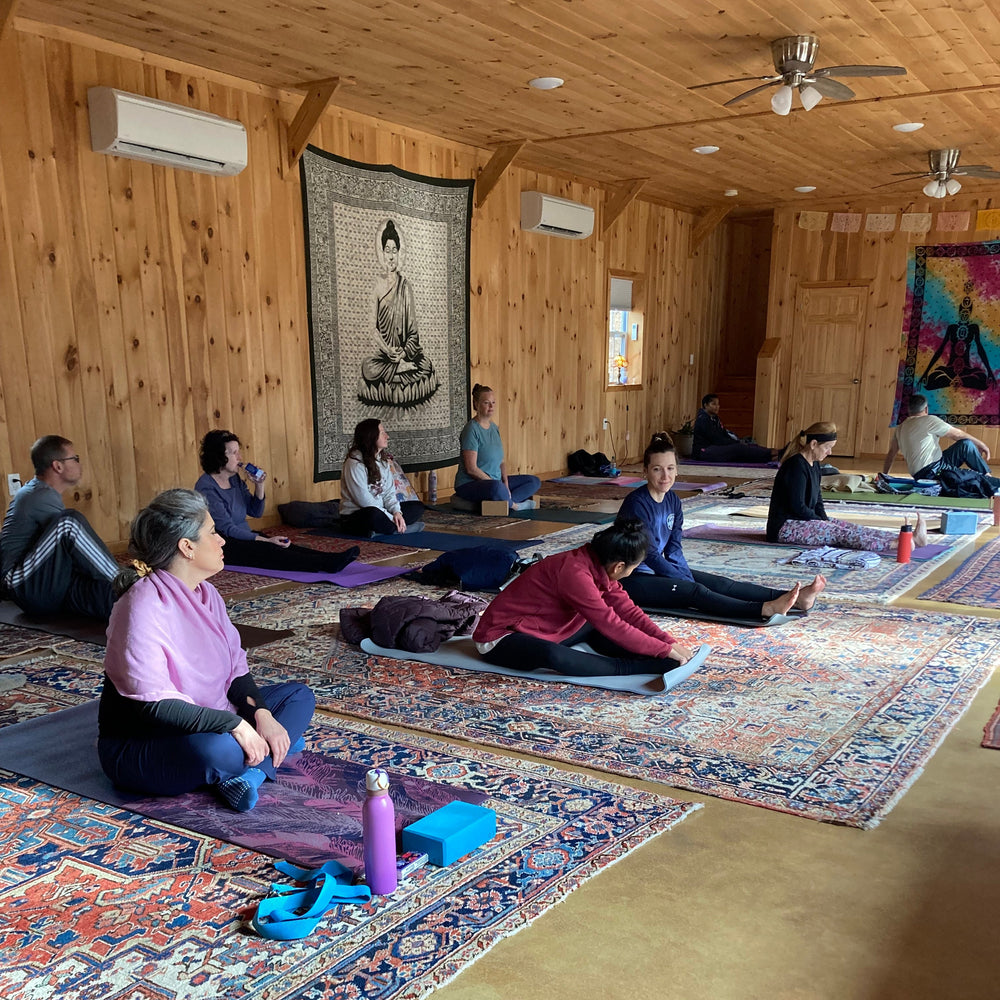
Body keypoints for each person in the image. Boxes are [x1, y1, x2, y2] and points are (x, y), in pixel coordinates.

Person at [98, 489, 315, 812]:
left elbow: (236, 672)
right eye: (212, 533)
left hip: (206, 717)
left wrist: (262, 714)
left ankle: (250, 771)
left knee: (299, 697)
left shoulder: (207, 594)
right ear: (186, 547)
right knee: (219, 750)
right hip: (145, 742)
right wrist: (236, 725)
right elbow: (154, 708)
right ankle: (255, 763)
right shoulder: (141, 605)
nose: (222, 540)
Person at [618, 433, 825, 620]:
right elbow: (650, 555)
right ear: (645, 471)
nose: (665, 476)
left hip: (655, 571)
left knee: (721, 584)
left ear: (677, 470)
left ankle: (795, 598)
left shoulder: (672, 500)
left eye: (670, 468)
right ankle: (765, 609)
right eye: (657, 469)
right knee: (696, 592)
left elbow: (673, 548)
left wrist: (683, 573)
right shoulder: (636, 505)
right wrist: (683, 580)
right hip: (632, 578)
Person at [473, 519, 695, 677]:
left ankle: (656, 659)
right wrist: (663, 651)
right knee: (555, 656)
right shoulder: (575, 573)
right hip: (502, 638)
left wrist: (668, 643)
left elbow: (628, 611)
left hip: (544, 628)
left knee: (593, 626)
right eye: (633, 568)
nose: (630, 573)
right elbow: (612, 624)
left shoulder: (597, 562)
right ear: (619, 566)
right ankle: (629, 668)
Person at [194, 430, 359, 573]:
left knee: (283, 546)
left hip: (245, 536)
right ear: (219, 457)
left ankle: (330, 559)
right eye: (234, 453)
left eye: (239, 452)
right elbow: (227, 529)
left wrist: (260, 486)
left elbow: (255, 512)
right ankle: (326, 564)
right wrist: (264, 540)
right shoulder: (207, 487)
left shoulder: (235, 479)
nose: (240, 457)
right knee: (272, 551)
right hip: (224, 544)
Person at [0, 435, 117, 621]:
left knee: (109, 596)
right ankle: (124, 582)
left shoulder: (43, 493)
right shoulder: (38, 496)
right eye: (75, 458)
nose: (79, 464)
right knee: (69, 522)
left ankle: (134, 596)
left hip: (46, 581)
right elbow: (73, 539)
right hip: (23, 585)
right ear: (58, 466)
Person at [770, 423, 928, 550]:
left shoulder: (815, 464)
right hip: (786, 527)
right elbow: (798, 506)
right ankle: (894, 545)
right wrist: (821, 522)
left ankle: (907, 538)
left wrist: (823, 518)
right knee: (838, 533)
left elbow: (817, 498)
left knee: (850, 527)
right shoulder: (795, 466)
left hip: (805, 519)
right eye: (827, 447)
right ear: (813, 444)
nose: (830, 452)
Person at [358, 219, 439, 408]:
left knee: (426, 366)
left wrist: (403, 352)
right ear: (382, 252)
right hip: (385, 356)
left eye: (395, 250)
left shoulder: (406, 287)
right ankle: (397, 372)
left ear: (399, 253)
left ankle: (396, 373)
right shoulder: (377, 287)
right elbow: (373, 329)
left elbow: (413, 333)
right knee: (367, 367)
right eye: (388, 250)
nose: (391, 256)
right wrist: (388, 351)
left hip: (405, 356)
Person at [454, 383, 541, 506]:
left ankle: (505, 502)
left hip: (495, 481)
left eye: (493, 403)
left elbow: (501, 462)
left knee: (534, 481)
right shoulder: (471, 430)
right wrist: (498, 485)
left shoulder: (494, 428)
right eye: (486, 403)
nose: (491, 406)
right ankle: (513, 505)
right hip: (471, 484)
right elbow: (471, 469)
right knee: (496, 488)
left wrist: (505, 483)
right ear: (476, 404)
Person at [340, 418, 425, 536]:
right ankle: (401, 528)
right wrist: (390, 517)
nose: (387, 436)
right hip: (358, 514)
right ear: (371, 436)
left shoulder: (383, 461)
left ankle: (385, 529)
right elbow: (364, 501)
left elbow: (390, 493)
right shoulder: (354, 463)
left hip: (382, 511)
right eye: (382, 433)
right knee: (373, 515)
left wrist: (397, 513)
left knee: (417, 507)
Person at [883, 394, 993, 480]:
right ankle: (989, 478)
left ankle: (986, 476)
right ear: (926, 409)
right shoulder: (929, 420)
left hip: (919, 475)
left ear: (909, 410)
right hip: (933, 471)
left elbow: (891, 453)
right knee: (966, 445)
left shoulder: (901, 427)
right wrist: (981, 444)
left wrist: (885, 475)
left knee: (964, 445)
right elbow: (958, 434)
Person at [692, 394, 779, 463]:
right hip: (704, 451)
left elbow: (723, 434)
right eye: (713, 404)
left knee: (744, 449)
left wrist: (735, 441)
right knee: (738, 449)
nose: (717, 406)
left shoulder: (715, 419)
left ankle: (771, 456)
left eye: (718, 404)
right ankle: (771, 453)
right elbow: (716, 439)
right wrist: (734, 443)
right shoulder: (703, 419)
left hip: (715, 447)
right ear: (705, 405)